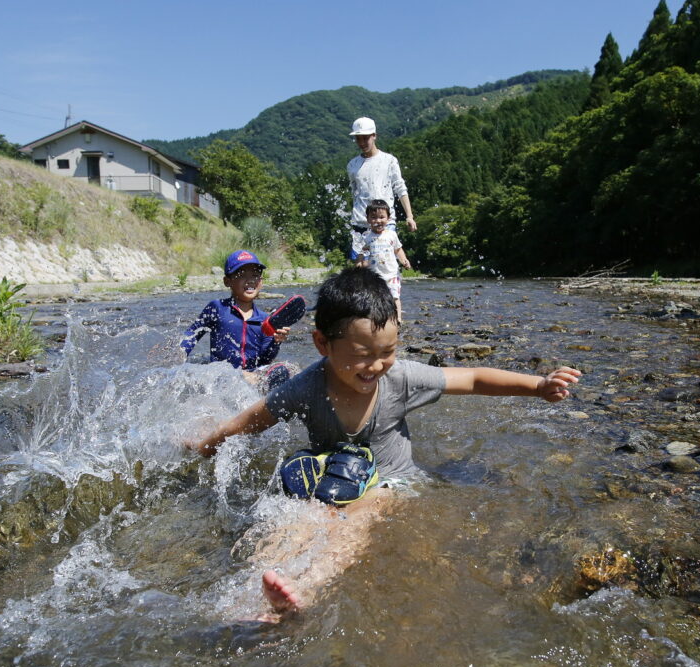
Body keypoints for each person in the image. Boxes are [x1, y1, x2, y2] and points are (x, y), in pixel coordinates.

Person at [185, 267, 580, 620]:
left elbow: (473, 378)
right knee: (297, 518)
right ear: (322, 344)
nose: (376, 366)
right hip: (329, 477)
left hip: (392, 481)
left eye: (387, 352)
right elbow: (247, 422)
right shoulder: (305, 388)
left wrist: (539, 386)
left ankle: (307, 587)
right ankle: (256, 596)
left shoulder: (402, 379)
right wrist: (202, 448)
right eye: (361, 355)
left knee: (358, 517)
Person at [180, 250, 291, 386]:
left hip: (251, 378)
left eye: (255, 275)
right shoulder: (217, 308)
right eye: (242, 275)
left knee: (282, 371)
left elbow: (265, 360)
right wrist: (177, 355)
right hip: (221, 377)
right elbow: (192, 335)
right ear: (228, 281)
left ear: (261, 282)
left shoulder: (265, 320)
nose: (250, 280)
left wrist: (276, 341)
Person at [346, 117, 417, 261]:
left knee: (385, 265)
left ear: (374, 136)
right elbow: (355, 195)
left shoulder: (389, 160)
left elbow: (400, 188)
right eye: (358, 139)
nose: (362, 143)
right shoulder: (352, 165)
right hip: (360, 224)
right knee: (361, 272)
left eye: (365, 138)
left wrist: (409, 216)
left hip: (385, 222)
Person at [355, 199, 412, 323]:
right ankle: (375, 318)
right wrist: (359, 262)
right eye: (374, 217)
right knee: (374, 298)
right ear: (368, 219)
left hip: (391, 274)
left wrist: (404, 260)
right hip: (374, 275)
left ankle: (398, 318)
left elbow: (398, 249)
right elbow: (362, 252)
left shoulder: (391, 235)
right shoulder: (367, 237)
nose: (378, 221)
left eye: (382, 217)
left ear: (388, 218)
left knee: (395, 297)